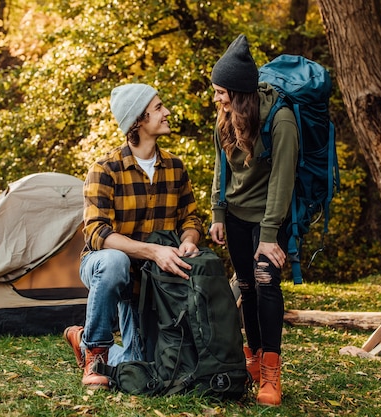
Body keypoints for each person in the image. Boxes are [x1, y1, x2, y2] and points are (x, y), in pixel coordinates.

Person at [63, 83, 203, 390]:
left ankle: (80, 339)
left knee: (144, 365)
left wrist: (189, 240)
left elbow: (190, 218)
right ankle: (95, 355)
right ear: (137, 120)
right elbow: (98, 233)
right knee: (114, 261)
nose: (167, 112)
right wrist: (153, 251)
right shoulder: (105, 169)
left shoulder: (176, 168)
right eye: (158, 108)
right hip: (110, 271)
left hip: (153, 284)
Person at [208, 34, 298, 406]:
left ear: (239, 91)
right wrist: (217, 212)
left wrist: (270, 235)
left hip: (269, 218)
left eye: (220, 92)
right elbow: (220, 166)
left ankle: (273, 375)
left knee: (265, 282)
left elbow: (282, 180)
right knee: (245, 286)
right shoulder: (225, 120)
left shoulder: (281, 120)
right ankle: (257, 361)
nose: (216, 99)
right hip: (236, 216)